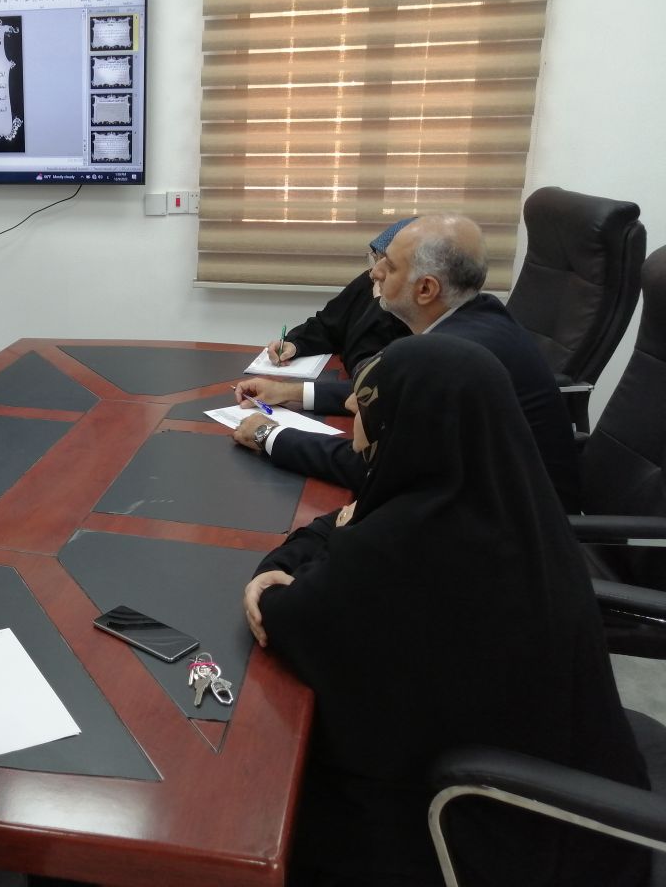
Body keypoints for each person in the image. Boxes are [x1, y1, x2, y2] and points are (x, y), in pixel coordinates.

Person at [242, 335, 649, 887]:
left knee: (258, 796)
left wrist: (283, 562)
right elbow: (349, 528)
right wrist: (336, 531)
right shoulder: (513, 501)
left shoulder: (404, 544)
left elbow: (282, 614)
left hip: (480, 829)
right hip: (579, 784)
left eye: (369, 401)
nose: (354, 406)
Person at [233, 213, 580, 512]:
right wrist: (288, 393)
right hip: (498, 501)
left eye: (389, 265)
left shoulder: (446, 356)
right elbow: (385, 394)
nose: (374, 273)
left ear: (426, 289)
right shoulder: (479, 315)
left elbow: (376, 470)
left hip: (511, 527)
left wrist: (268, 434)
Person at [263, 217, 413, 374]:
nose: (374, 272)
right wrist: (295, 344)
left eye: (388, 264)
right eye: (376, 257)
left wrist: (378, 306)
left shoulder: (416, 307)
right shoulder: (369, 280)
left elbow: (365, 362)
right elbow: (328, 325)